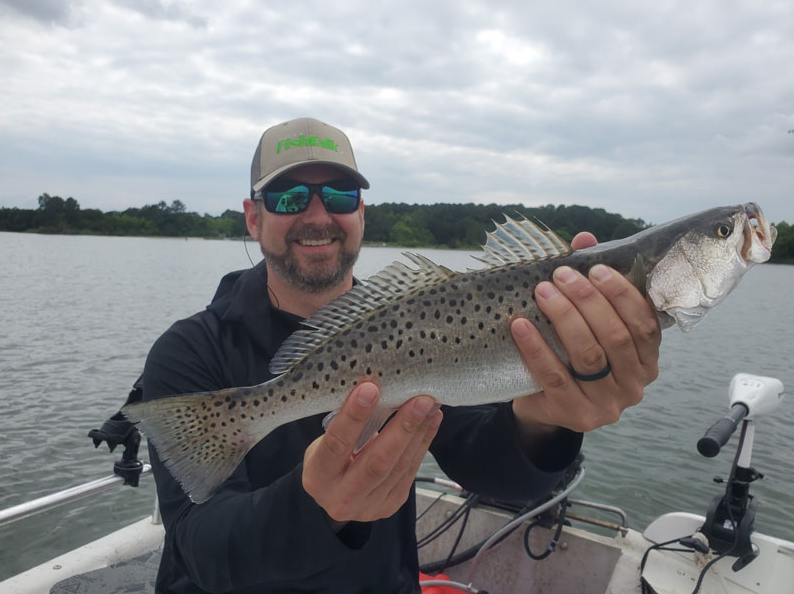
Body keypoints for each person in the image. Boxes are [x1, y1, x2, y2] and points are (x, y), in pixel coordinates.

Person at [142, 117, 661, 593]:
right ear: (253, 218)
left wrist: (545, 422)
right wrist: (317, 508)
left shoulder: (426, 325)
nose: (317, 215)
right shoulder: (187, 351)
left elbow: (488, 469)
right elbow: (199, 548)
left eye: (340, 195)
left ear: (361, 214)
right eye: (288, 197)